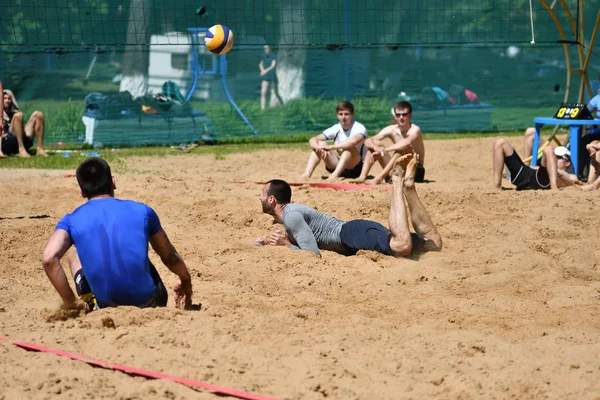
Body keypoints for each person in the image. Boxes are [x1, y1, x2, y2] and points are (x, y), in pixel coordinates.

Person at [41, 157, 193, 311]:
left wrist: (71, 303)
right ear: (113, 182)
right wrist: (185, 279)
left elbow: (49, 258)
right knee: (141, 255)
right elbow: (169, 257)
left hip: (107, 306)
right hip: (149, 303)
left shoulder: (71, 220)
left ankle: (89, 297)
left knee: (75, 253)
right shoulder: (142, 211)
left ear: (82, 191)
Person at [258, 153, 442, 258]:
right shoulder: (293, 213)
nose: (260, 198)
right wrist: (269, 243)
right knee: (433, 244)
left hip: (350, 235)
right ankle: (409, 188)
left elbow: (312, 254)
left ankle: (397, 181)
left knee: (402, 245)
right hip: (355, 231)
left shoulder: (290, 216)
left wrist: (286, 245)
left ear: (272, 199)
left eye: (262, 194)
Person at [351, 101, 425, 185]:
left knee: (402, 149)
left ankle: (379, 178)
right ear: (395, 116)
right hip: (399, 170)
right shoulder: (392, 129)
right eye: (398, 115)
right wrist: (376, 148)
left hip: (415, 171)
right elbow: (368, 140)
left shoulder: (415, 129)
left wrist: (384, 150)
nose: (401, 117)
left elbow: (406, 142)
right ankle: (362, 176)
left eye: (404, 114)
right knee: (375, 143)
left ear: (410, 115)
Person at [300, 101, 368, 181]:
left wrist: (331, 147)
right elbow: (313, 139)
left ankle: (334, 176)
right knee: (320, 143)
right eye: (340, 114)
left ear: (352, 115)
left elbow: (353, 142)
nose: (343, 117)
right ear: (337, 115)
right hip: (338, 165)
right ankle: (307, 174)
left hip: (355, 169)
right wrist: (319, 147)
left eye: (346, 114)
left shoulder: (360, 128)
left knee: (349, 149)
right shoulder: (336, 128)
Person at [492, 137, 580, 190]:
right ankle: (497, 186)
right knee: (500, 142)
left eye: (558, 157)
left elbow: (572, 183)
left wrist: (558, 173)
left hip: (541, 179)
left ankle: (554, 188)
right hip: (525, 174)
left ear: (567, 162)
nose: (553, 158)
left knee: (549, 149)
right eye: (553, 156)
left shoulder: (571, 176)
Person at [0, 88, 48, 158]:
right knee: (18, 115)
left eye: (9, 98)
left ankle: (39, 149)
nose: (7, 101)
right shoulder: (1, 115)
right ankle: (21, 150)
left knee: (38, 114)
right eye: (5, 98)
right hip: (7, 143)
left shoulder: (14, 112)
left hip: (22, 139)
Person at [259, 45, 279, 110]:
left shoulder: (273, 56)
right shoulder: (263, 56)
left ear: (270, 49)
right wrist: (262, 70)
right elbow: (260, 64)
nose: (265, 50)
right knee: (263, 91)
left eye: (266, 48)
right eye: (264, 49)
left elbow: (272, 66)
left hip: (272, 75)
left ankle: (278, 105)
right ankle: (262, 108)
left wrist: (265, 71)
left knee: (275, 92)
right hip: (265, 76)